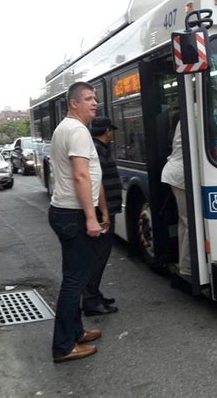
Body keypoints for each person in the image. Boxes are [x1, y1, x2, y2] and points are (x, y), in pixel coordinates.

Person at [48, 82, 110, 364]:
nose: (94, 103)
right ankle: (63, 346)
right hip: (73, 214)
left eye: (95, 98)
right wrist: (90, 216)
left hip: (64, 212)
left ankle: (75, 332)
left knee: (74, 276)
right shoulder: (77, 131)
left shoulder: (66, 128)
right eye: (88, 99)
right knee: (75, 281)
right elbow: (81, 176)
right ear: (74, 103)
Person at [82, 116, 122, 316]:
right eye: (111, 130)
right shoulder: (97, 150)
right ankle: (90, 301)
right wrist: (103, 213)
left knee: (98, 255)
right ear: (107, 131)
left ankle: (95, 294)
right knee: (98, 256)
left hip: (104, 210)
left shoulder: (97, 148)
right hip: (101, 212)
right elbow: (96, 184)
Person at [161, 120, 191, 276]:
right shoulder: (196, 112)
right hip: (180, 175)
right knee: (189, 222)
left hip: (177, 173)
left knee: (184, 221)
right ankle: (187, 267)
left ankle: (184, 263)